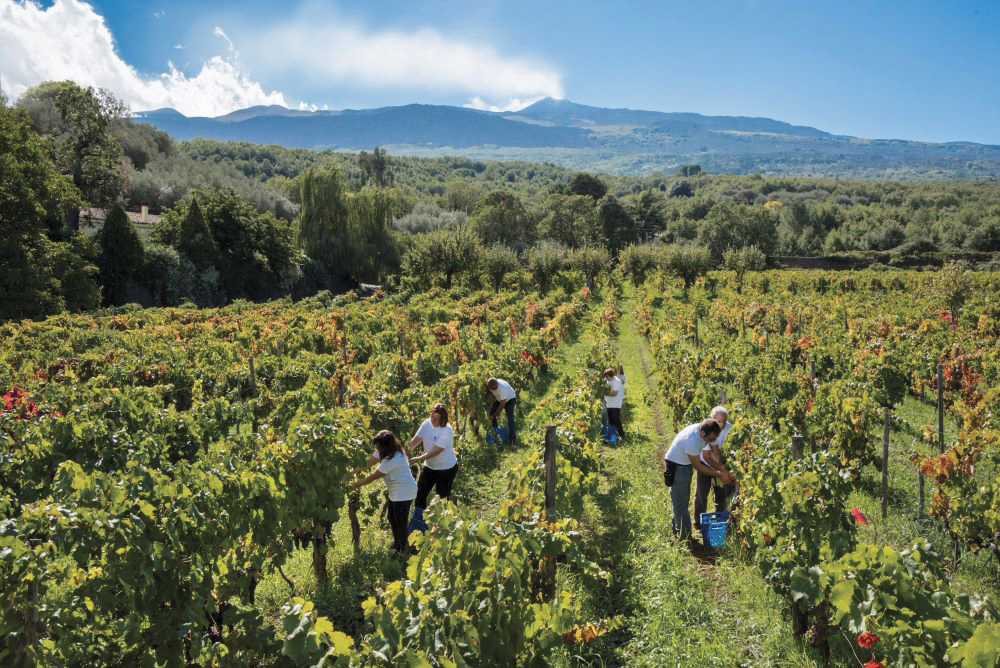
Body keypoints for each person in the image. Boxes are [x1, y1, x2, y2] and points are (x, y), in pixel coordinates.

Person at [353, 430, 418, 555]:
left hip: (404, 492)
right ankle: (397, 545)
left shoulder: (393, 460)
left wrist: (354, 484)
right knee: (392, 517)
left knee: (400, 521)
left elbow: (372, 477)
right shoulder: (386, 451)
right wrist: (352, 472)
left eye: (378, 446)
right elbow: (367, 464)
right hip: (396, 491)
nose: (377, 449)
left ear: (385, 446)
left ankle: (401, 551)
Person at [663, 419, 729, 539]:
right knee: (680, 503)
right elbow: (699, 467)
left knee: (681, 500)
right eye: (712, 438)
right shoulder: (691, 440)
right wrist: (719, 474)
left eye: (715, 437)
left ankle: (678, 530)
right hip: (677, 467)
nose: (713, 440)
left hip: (685, 464)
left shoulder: (708, 431)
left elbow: (716, 450)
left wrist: (722, 468)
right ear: (703, 433)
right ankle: (685, 537)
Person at [407, 403, 458, 531]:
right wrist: (405, 450)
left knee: (442, 498)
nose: (433, 420)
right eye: (432, 416)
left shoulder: (447, 430)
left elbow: (435, 451)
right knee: (420, 495)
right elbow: (416, 440)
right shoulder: (426, 424)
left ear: (443, 419)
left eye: (437, 418)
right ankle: (419, 527)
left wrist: (417, 458)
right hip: (430, 467)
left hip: (446, 469)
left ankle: (442, 528)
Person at [693, 406, 737, 532]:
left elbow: (721, 452)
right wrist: (720, 471)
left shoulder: (731, 429)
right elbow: (707, 456)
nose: (721, 424)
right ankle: (698, 522)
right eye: (718, 421)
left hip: (722, 463)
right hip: (705, 464)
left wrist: (723, 470)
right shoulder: (707, 429)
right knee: (702, 493)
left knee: (722, 494)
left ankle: (721, 522)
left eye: (723, 421)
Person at [486, 377, 517, 445]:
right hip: (499, 399)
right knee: (491, 413)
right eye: (490, 388)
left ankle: (512, 439)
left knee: (510, 418)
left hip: (510, 399)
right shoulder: (491, 385)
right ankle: (495, 434)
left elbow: (501, 406)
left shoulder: (502, 390)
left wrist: (494, 416)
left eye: (493, 389)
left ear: (496, 385)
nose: (491, 390)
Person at [604, 368, 625, 439]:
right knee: (611, 419)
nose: (606, 378)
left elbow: (614, 393)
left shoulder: (615, 382)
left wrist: (604, 392)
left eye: (607, 376)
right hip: (610, 403)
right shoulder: (611, 380)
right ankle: (613, 435)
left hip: (616, 403)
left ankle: (621, 434)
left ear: (611, 376)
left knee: (616, 419)